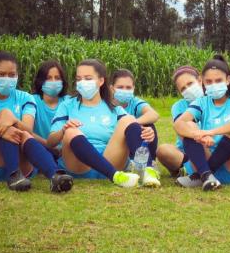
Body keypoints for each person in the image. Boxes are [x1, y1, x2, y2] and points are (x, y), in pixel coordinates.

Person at [0, 51, 73, 192]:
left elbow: (28, 130)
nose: (7, 79)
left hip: (23, 165)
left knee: (19, 131)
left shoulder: (25, 98)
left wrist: (13, 120)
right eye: (1, 75)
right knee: (8, 127)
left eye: (11, 75)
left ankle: (55, 176)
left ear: (17, 76)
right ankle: (16, 174)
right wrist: (0, 129)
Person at [47, 59, 149, 188]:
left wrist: (145, 132)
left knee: (128, 120)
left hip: (110, 159)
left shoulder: (114, 108)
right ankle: (115, 176)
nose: (82, 82)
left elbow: (133, 129)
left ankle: (145, 171)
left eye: (88, 78)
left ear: (101, 81)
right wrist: (63, 130)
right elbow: (50, 142)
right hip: (78, 165)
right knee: (71, 130)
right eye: (79, 79)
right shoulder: (67, 105)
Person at [174, 55, 230, 190]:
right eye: (209, 81)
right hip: (207, 158)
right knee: (188, 125)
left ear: (228, 80)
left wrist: (210, 132)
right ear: (203, 82)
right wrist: (198, 134)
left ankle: (203, 175)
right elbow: (179, 124)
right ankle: (206, 175)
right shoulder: (202, 102)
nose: (214, 85)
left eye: (218, 80)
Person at [111, 69, 160, 187]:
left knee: (148, 126)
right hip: (116, 146)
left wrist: (131, 124)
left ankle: (149, 164)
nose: (125, 90)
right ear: (112, 88)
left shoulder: (134, 102)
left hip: (135, 143)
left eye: (128, 87)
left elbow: (154, 115)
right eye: (120, 87)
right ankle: (135, 165)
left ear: (133, 88)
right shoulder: (106, 104)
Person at [156, 66, 204, 177]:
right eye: (183, 89)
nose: (188, 90)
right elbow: (182, 131)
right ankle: (184, 168)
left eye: (190, 84)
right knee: (163, 150)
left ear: (200, 80)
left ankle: (196, 169)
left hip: (211, 146)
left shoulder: (213, 100)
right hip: (187, 151)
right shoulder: (178, 106)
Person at [31, 60, 70, 157]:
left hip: (65, 155)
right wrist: (49, 145)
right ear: (41, 81)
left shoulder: (69, 102)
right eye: (48, 78)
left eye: (57, 78)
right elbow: (26, 131)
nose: (53, 82)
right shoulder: (32, 101)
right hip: (39, 151)